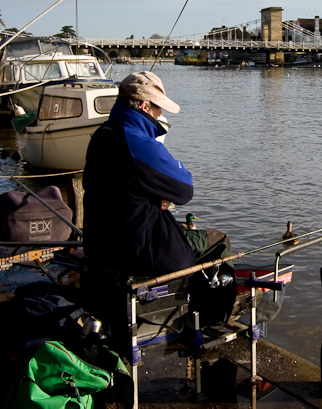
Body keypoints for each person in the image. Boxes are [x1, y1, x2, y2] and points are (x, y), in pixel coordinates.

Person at [82, 70, 230, 280]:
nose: (160, 114)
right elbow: (185, 189)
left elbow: (121, 190)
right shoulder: (138, 144)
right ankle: (212, 307)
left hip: (99, 247)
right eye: (158, 107)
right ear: (144, 106)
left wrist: (152, 197)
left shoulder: (101, 134)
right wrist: (158, 197)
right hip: (139, 255)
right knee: (219, 239)